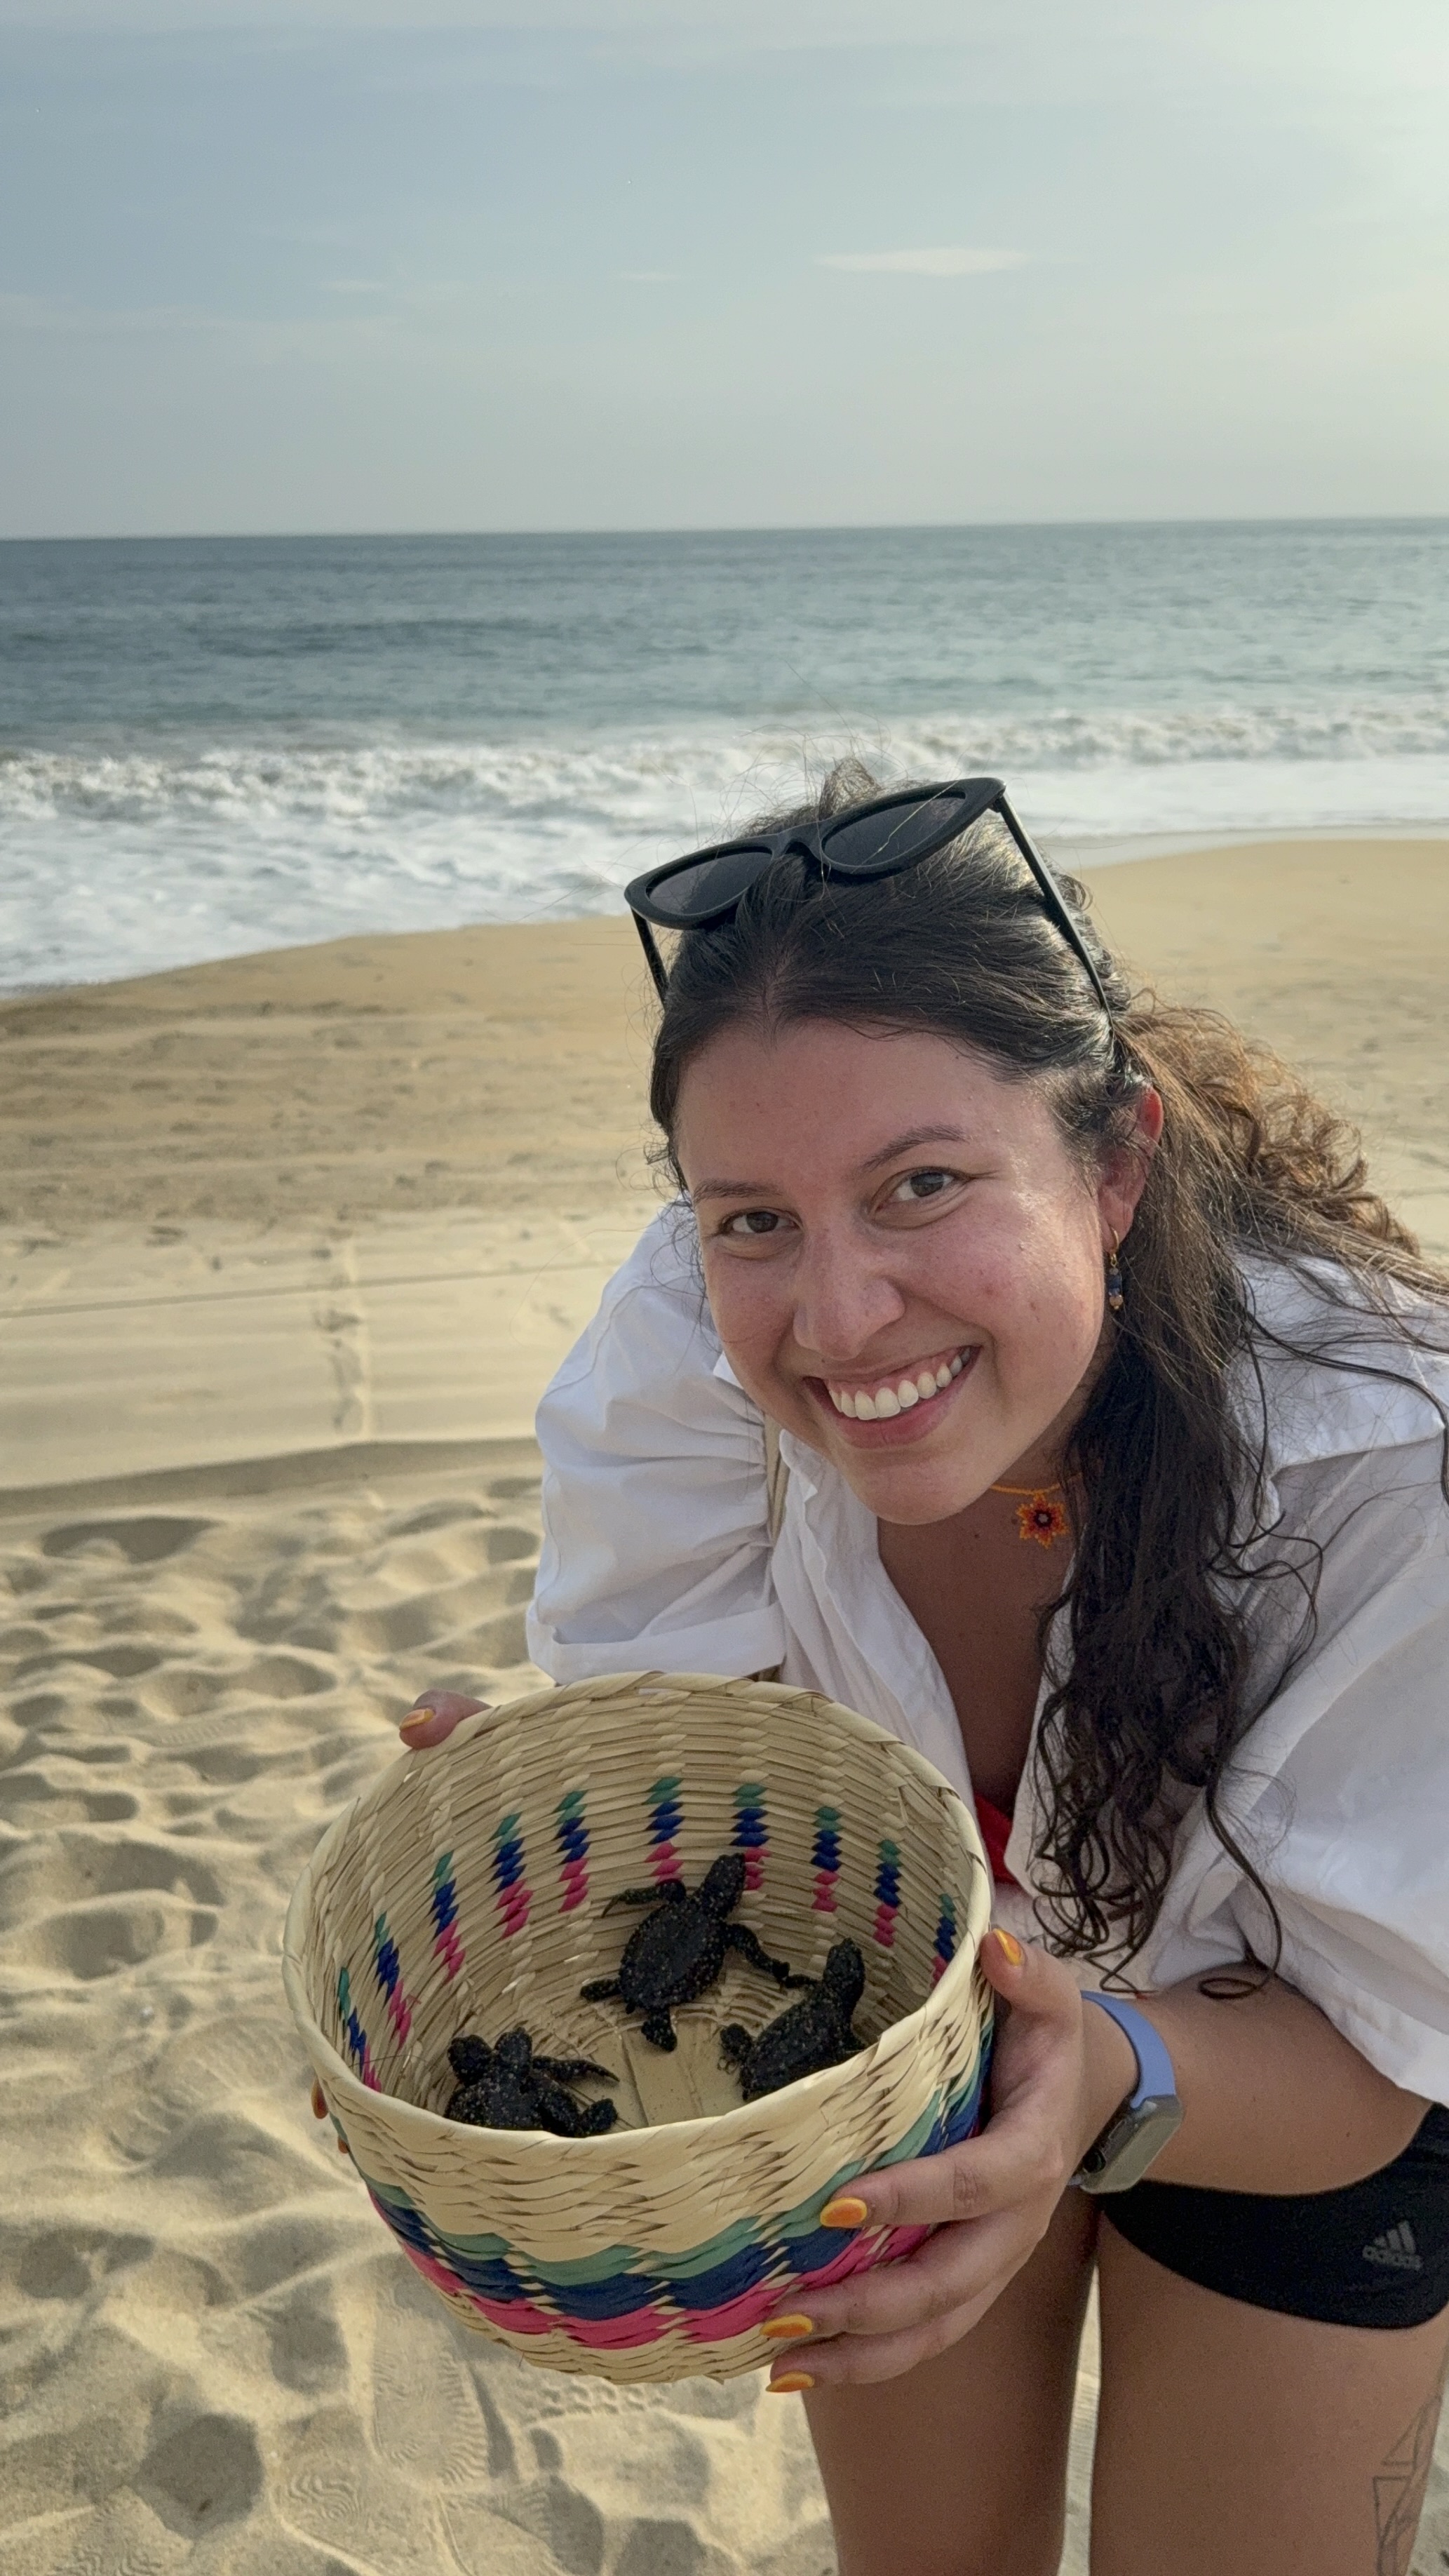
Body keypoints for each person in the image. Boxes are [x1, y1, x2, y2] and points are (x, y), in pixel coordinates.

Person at [392, 770, 1449, 2576]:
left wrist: (1100, 2073)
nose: (836, 1317)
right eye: (750, 1218)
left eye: (924, 1185)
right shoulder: (684, 1348)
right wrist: (593, 1806)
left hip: (1289, 2072)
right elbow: (724, 1805)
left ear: (1114, 1164)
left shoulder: (1382, 1460)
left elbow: (1373, 2039)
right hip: (896, 2024)